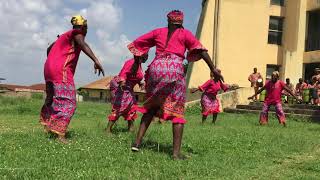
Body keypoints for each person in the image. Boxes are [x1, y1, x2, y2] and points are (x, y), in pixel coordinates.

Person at [128, 10, 222, 160]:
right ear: (181, 22)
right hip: (174, 69)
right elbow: (201, 51)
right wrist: (213, 69)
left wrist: (136, 63)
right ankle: (176, 154)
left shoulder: (158, 32)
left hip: (156, 69)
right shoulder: (185, 34)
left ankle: (137, 144)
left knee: (150, 107)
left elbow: (137, 44)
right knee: (178, 112)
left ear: (168, 21)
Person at [40, 15, 105, 143]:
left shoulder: (62, 38)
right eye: (86, 29)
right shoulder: (77, 33)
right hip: (61, 70)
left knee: (51, 98)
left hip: (48, 69)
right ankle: (60, 135)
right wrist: (96, 60)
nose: (85, 32)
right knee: (68, 102)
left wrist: (54, 59)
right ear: (83, 27)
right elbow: (82, 43)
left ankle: (48, 127)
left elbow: (48, 49)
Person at [106, 54, 148, 133]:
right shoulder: (130, 62)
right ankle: (108, 130)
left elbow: (134, 76)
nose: (147, 57)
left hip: (130, 89)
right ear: (140, 55)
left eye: (147, 55)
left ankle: (131, 129)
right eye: (145, 55)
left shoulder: (139, 65)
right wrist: (122, 82)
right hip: (123, 88)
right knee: (120, 108)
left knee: (132, 108)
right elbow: (123, 72)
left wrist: (140, 83)